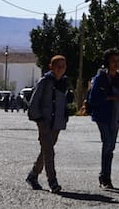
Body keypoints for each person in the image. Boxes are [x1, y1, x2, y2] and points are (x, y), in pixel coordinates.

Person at [26, 55, 70, 194]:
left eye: (63, 66)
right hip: (44, 121)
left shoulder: (63, 82)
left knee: (45, 151)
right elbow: (34, 101)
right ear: (51, 66)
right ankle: (53, 181)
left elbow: (63, 102)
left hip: (57, 122)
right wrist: (38, 118)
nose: (60, 69)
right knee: (49, 152)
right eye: (58, 66)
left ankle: (33, 175)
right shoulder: (44, 81)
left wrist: (65, 116)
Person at [88, 48, 119, 189]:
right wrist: (110, 97)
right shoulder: (100, 78)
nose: (116, 64)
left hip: (116, 116)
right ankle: (105, 177)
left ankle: (105, 175)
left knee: (111, 147)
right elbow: (93, 98)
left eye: (118, 61)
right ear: (107, 62)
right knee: (107, 144)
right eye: (113, 61)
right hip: (103, 116)